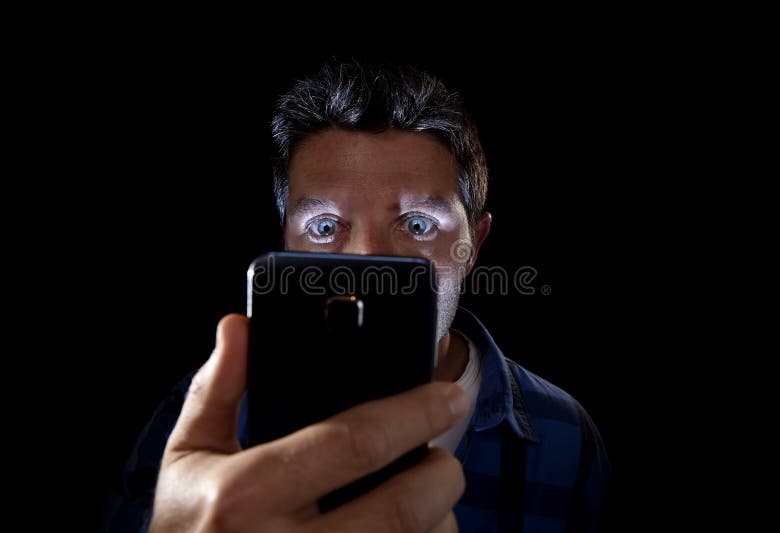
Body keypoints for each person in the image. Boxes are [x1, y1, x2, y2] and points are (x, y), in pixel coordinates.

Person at [107, 60, 610, 532]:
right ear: (287, 242)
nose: (368, 261)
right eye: (325, 226)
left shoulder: (565, 434)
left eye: (417, 224)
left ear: (472, 244)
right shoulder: (196, 424)